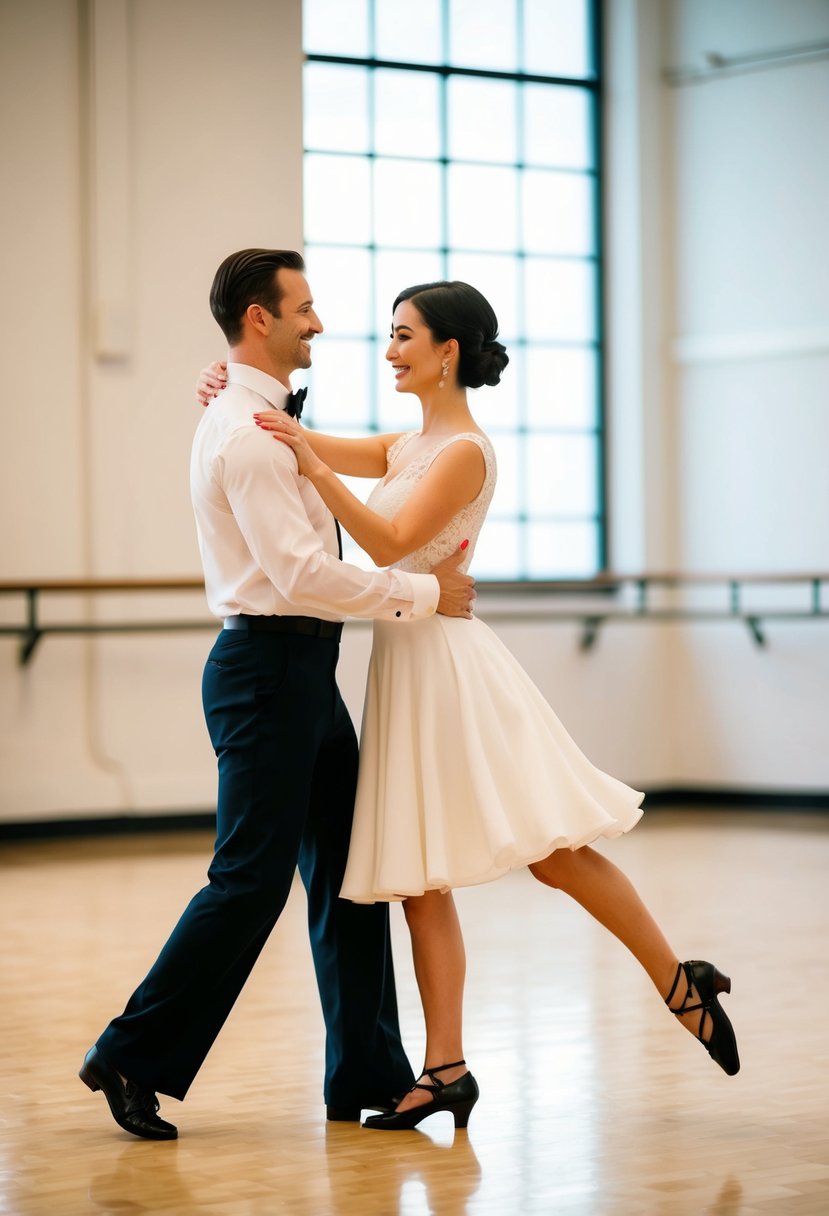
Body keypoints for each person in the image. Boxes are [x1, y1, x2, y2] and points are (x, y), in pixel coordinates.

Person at [196, 278, 740, 1132]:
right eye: (388, 335)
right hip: (405, 669)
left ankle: (677, 975)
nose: (388, 351)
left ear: (447, 352)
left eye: (403, 336)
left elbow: (386, 542)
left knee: (552, 852)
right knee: (420, 877)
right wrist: (231, 393)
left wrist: (307, 465)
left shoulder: (463, 453)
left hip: (449, 670)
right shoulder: (411, 443)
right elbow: (308, 440)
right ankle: (444, 1067)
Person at [79, 250, 476, 1142]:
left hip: (302, 675)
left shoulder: (254, 414)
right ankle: (131, 1055)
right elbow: (297, 575)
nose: (320, 323)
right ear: (259, 319)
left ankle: (367, 1073)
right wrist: (423, 596)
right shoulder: (248, 433)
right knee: (248, 882)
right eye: (303, 308)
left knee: (351, 875)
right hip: (269, 671)